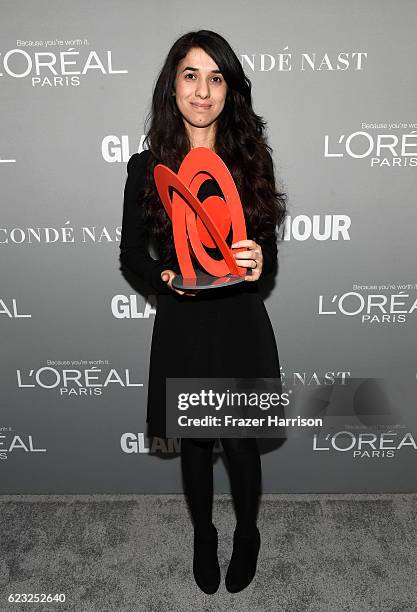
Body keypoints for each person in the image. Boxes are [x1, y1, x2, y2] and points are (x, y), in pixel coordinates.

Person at [119, 30, 287, 594]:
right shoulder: (147, 167)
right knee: (193, 440)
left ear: (229, 90)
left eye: (216, 78)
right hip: (183, 320)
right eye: (191, 75)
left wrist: (260, 255)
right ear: (173, 85)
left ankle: (247, 533)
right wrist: (164, 277)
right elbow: (130, 255)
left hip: (238, 317)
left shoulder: (249, 159)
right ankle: (203, 534)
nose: (202, 90)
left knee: (238, 441)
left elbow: (264, 248)